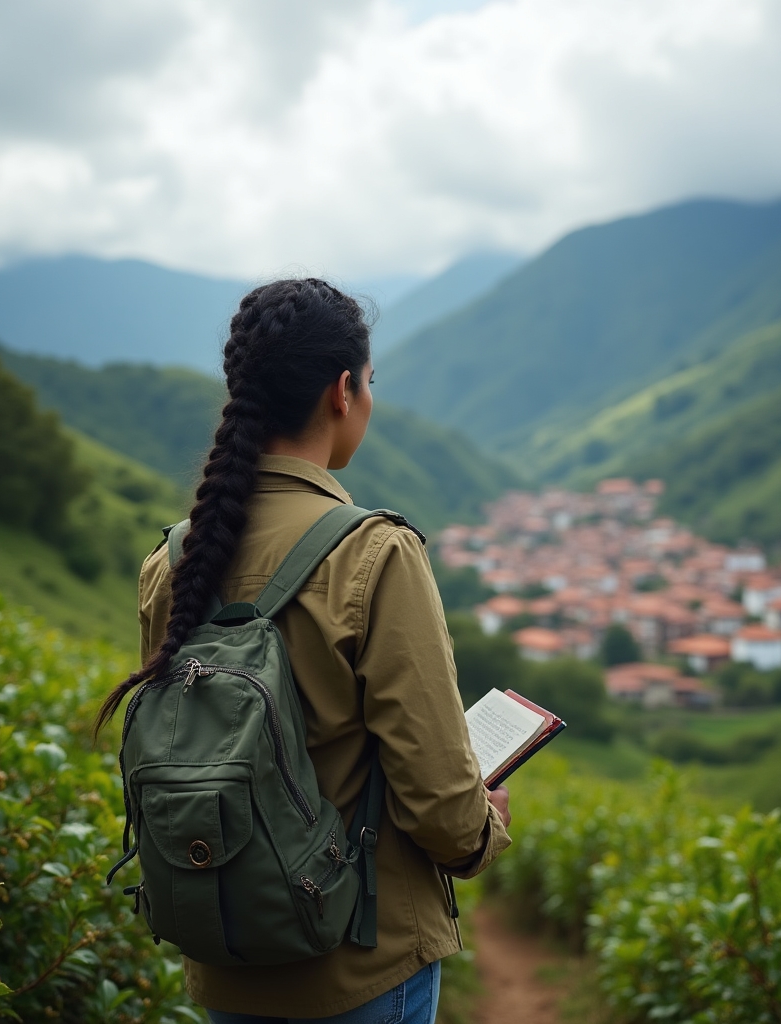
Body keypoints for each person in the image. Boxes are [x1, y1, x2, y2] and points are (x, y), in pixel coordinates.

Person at [97, 278, 511, 1023]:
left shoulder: (173, 560)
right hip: (361, 961)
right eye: (371, 381)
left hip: (223, 954)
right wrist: (484, 827)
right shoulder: (375, 554)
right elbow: (439, 806)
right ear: (342, 391)